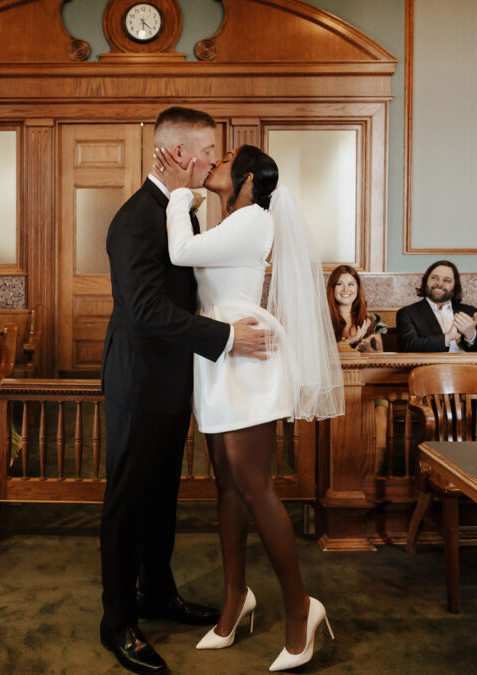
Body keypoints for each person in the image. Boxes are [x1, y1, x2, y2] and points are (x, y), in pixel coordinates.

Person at [153, 143, 343, 671]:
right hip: (219, 349)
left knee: (255, 486)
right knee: (227, 485)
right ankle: (236, 598)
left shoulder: (253, 217)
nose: (215, 163)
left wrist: (176, 195)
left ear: (248, 177)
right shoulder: (230, 220)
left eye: (226, 159)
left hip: (247, 354)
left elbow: (180, 254)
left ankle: (302, 607)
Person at [99, 107, 268, 675]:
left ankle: (157, 592)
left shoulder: (178, 213)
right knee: (128, 503)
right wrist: (224, 336)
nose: (212, 161)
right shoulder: (134, 220)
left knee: (161, 496)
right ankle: (117, 622)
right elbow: (145, 310)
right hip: (139, 381)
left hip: (174, 380)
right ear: (176, 154)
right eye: (206, 151)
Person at [395, 260, 477, 352]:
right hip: (429, 370)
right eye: (434, 278)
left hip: (468, 369)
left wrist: (471, 334)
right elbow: (408, 347)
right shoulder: (408, 313)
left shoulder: (470, 312)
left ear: (455, 286)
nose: (439, 284)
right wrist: (447, 338)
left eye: (447, 280)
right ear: (426, 281)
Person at [327, 264, 385, 352]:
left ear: (358, 288)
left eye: (351, 284)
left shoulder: (373, 320)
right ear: (332, 288)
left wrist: (367, 349)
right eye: (339, 284)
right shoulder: (322, 319)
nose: (345, 289)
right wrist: (352, 340)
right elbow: (319, 353)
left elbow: (379, 358)